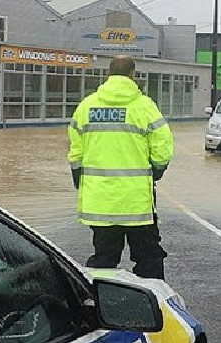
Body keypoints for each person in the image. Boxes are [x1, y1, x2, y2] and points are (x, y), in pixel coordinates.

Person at [68, 55, 174, 279]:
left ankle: (99, 306)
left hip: (101, 203)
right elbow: (163, 146)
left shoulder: (86, 106)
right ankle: (153, 306)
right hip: (137, 204)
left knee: (104, 260)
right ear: (132, 75)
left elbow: (75, 153)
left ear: (108, 74)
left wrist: (80, 178)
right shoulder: (144, 106)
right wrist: (156, 171)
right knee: (148, 259)